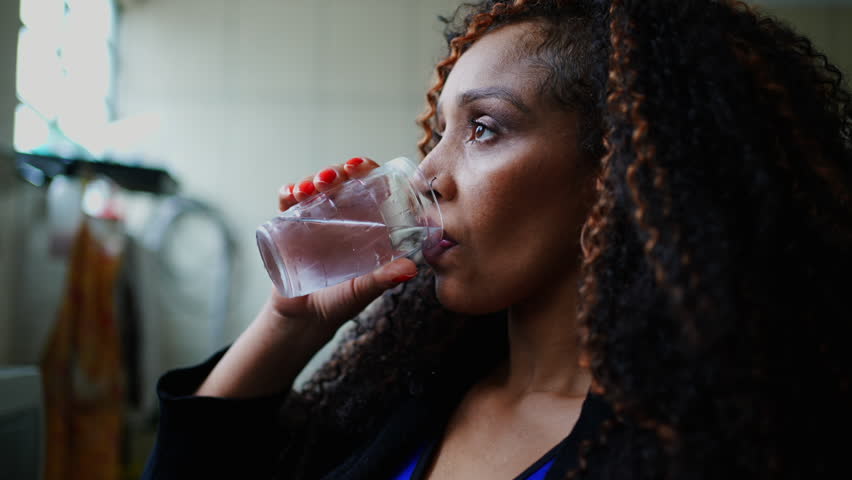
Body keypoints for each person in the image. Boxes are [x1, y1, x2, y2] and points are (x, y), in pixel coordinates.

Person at [142, 0, 852, 479]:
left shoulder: (715, 446)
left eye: (484, 129)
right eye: (440, 131)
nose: (427, 172)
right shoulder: (402, 396)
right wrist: (286, 326)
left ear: (621, 169)